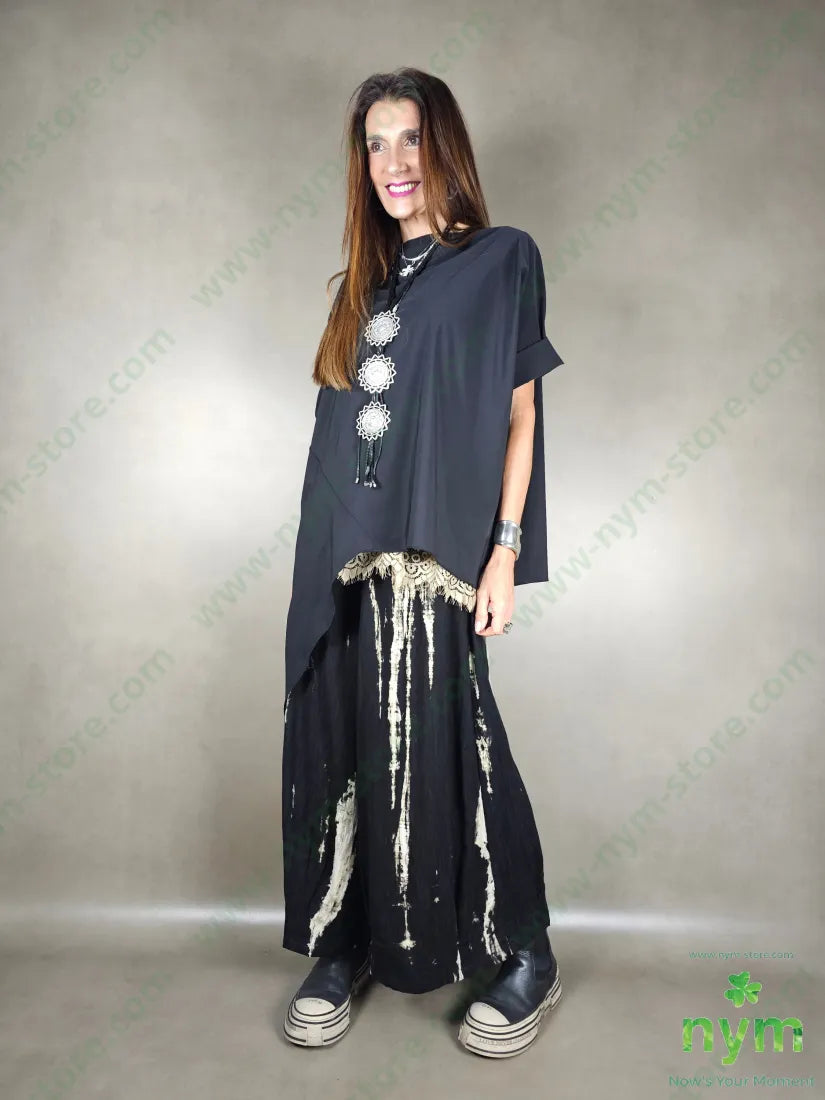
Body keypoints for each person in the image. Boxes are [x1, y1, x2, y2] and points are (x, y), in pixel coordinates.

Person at [280, 66, 566, 1059]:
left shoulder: (500, 259)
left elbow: (520, 415)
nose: (393, 162)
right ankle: (344, 934)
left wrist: (504, 552)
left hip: (432, 556)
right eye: (375, 144)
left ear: (443, 147)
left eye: (410, 139)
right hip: (337, 552)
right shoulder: (358, 284)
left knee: (456, 740)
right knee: (341, 737)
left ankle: (524, 949)